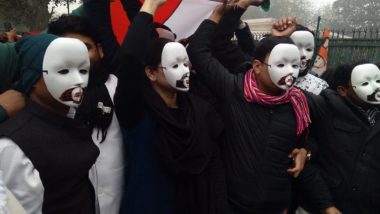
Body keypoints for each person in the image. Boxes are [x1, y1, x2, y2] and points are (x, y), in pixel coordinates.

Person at [187, 1, 311, 213]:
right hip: (231, 204)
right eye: (281, 64)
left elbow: (311, 140)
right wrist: (224, 11)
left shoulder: (299, 103)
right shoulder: (233, 90)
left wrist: (306, 151)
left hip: (276, 205)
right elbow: (199, 50)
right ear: (256, 67)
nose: (289, 71)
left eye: (294, 64)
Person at [114, 0, 228, 213]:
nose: (184, 71)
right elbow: (129, 58)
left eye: (185, 64)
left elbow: (215, 167)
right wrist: (151, 6)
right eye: (175, 65)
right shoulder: (137, 111)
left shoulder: (201, 111)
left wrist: (219, 15)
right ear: (150, 72)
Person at [0, 34, 99, 213]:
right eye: (63, 71)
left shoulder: (72, 118)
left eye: (83, 70)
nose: (79, 80)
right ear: (33, 77)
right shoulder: (14, 147)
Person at [47, 9, 127, 213]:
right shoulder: (43, 97)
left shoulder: (121, 89)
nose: (78, 57)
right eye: (68, 49)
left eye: (85, 48)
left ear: (100, 51)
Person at [297, 62, 380, 214]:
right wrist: (325, 204)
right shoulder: (325, 110)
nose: (376, 88)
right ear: (342, 90)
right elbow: (308, 162)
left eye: (378, 81)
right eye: (365, 83)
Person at [272, 19, 329, 95]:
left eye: (308, 49)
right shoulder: (270, 82)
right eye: (297, 47)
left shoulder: (321, 87)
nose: (303, 54)